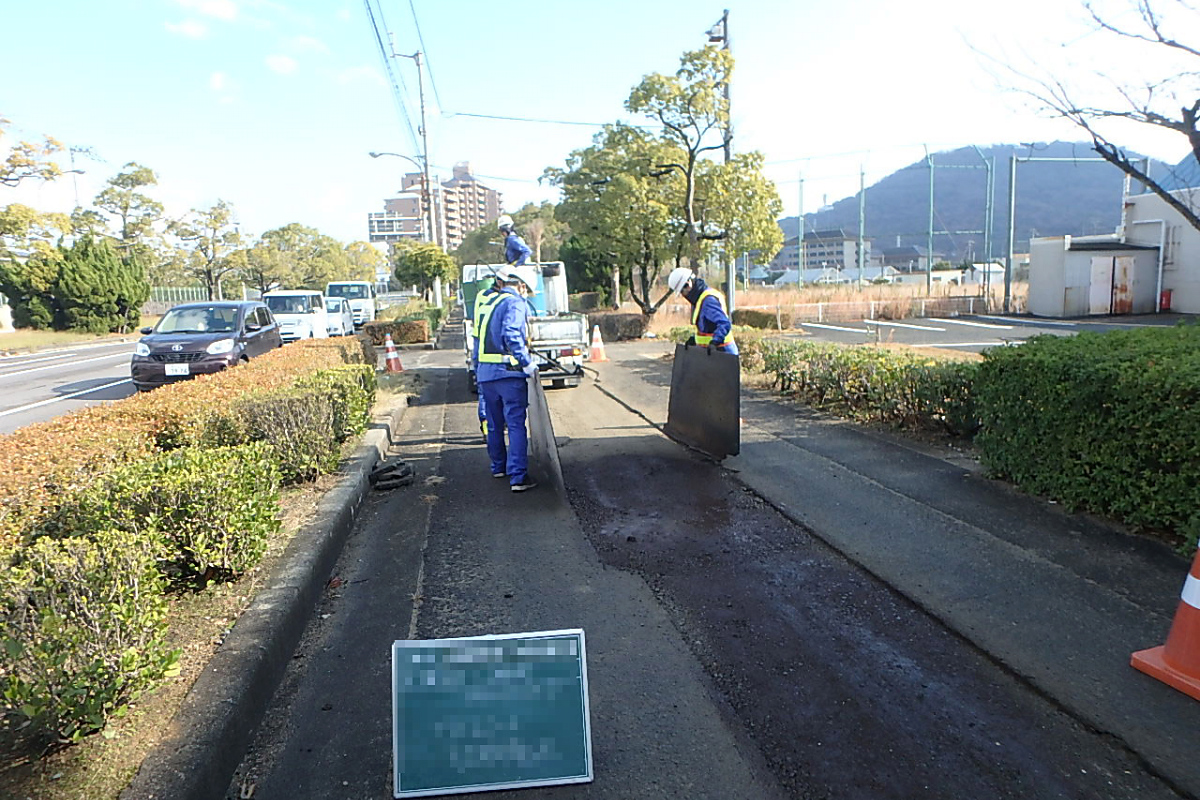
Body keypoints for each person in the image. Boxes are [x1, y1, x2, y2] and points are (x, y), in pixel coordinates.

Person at [475, 263, 540, 493]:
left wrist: (478, 372)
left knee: (494, 424)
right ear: (521, 286)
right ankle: (518, 477)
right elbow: (511, 334)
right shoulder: (515, 302)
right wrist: (527, 363)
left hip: (486, 374)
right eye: (526, 290)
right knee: (515, 425)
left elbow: (477, 341)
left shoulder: (486, 303)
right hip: (508, 375)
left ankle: (498, 467)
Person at [666, 267, 739, 356]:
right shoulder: (701, 298)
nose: (683, 295)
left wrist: (715, 342)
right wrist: (695, 339)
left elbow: (724, 324)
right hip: (714, 354)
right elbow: (707, 327)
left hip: (723, 353)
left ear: (688, 284)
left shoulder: (708, 300)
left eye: (682, 291)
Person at [472, 266, 508, 441]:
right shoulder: (503, 299)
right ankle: (501, 423)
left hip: (479, 346)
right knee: (505, 389)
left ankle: (487, 426)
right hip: (495, 347)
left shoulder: (481, 296)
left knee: (484, 391)